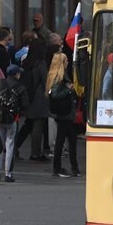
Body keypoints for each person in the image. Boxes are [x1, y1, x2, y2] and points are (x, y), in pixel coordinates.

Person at [13, 38, 50, 161]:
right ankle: (35, 153)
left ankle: (14, 146)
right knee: (38, 124)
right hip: (39, 97)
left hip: (28, 95)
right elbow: (45, 80)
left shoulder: (27, 61)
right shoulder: (41, 63)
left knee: (29, 123)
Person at [46, 48, 80, 178]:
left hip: (63, 113)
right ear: (62, 63)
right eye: (66, 60)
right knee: (65, 140)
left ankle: (69, 168)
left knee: (69, 139)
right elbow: (55, 94)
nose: (68, 62)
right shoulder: (59, 77)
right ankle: (63, 168)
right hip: (64, 113)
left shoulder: (58, 75)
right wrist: (68, 89)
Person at [0, 64, 29, 182]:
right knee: (10, 145)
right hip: (12, 118)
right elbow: (25, 104)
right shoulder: (20, 87)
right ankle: (8, 173)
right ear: (16, 74)